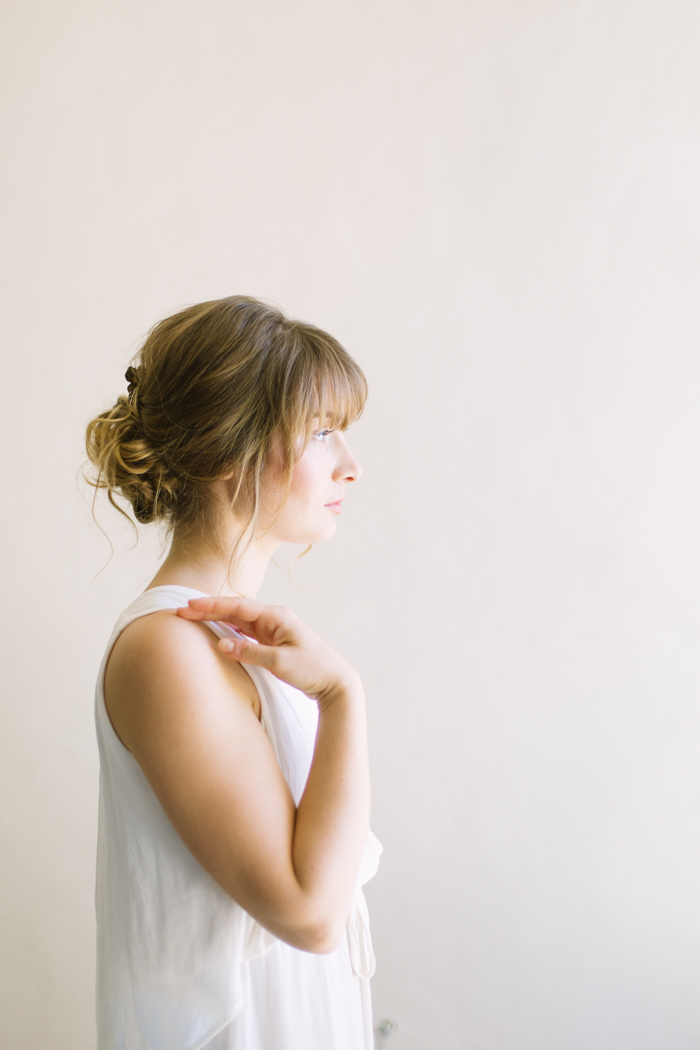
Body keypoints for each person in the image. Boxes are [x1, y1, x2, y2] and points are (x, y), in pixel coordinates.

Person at [85, 295, 382, 1050]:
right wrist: (344, 699)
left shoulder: (230, 643)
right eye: (321, 433)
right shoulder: (168, 649)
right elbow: (310, 913)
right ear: (227, 451)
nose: (351, 465)